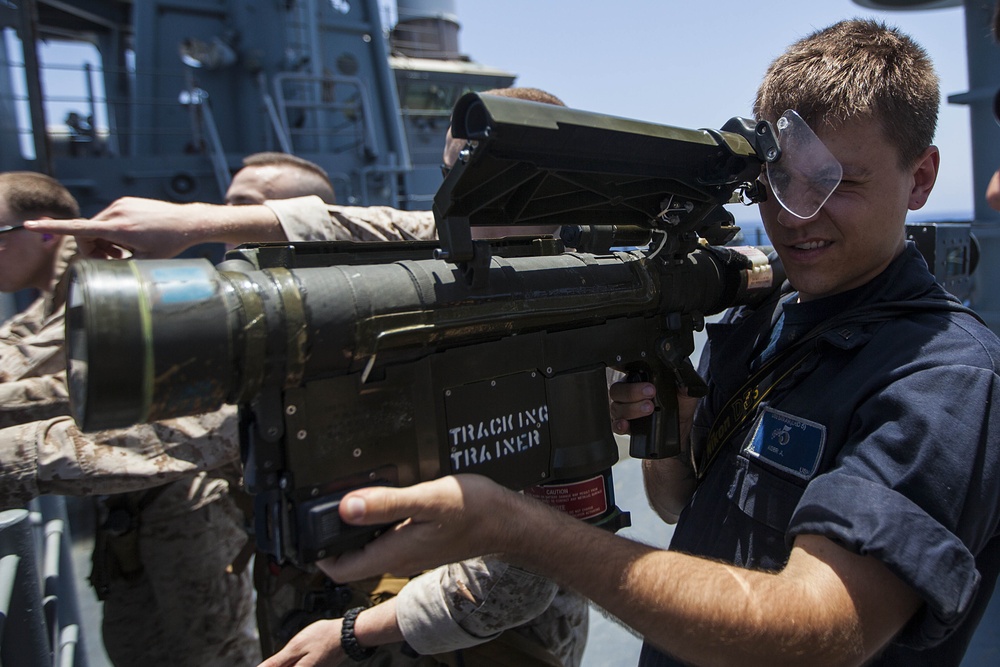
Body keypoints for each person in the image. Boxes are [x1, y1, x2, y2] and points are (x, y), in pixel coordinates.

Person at [284, 19, 1000, 667]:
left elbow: (817, 634)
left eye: (836, 183)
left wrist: (523, 527)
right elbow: (675, 503)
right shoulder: (765, 315)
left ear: (923, 179)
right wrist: (671, 430)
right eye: (779, 178)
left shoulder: (943, 378)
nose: (794, 214)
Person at [27, 91, 591, 666]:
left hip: (491, 643)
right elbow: (377, 225)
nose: (452, 200)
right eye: (448, 173)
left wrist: (352, 634)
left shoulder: (589, 302)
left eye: (476, 176)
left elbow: (517, 581)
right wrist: (195, 224)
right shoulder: (458, 254)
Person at [0, 171, 261, 667]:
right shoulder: (72, 289)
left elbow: (72, 386)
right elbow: (22, 348)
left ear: (44, 229)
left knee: (211, 651)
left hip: (183, 508)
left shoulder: (115, 285)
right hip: (132, 509)